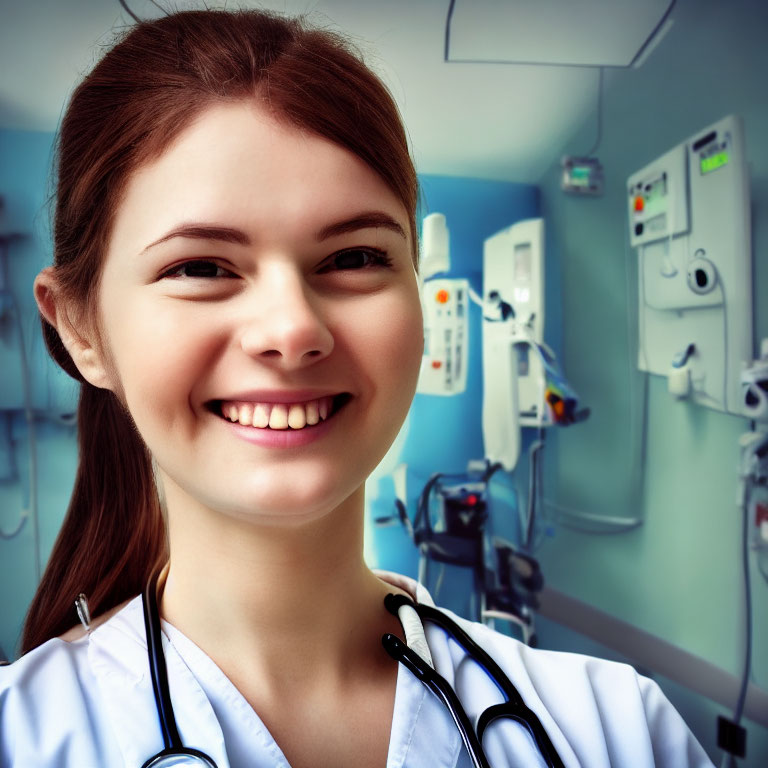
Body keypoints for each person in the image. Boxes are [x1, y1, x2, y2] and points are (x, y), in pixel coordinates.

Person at [0, 9, 713, 768]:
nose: (293, 328)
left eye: (355, 257)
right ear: (81, 329)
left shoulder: (621, 732)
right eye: (201, 267)